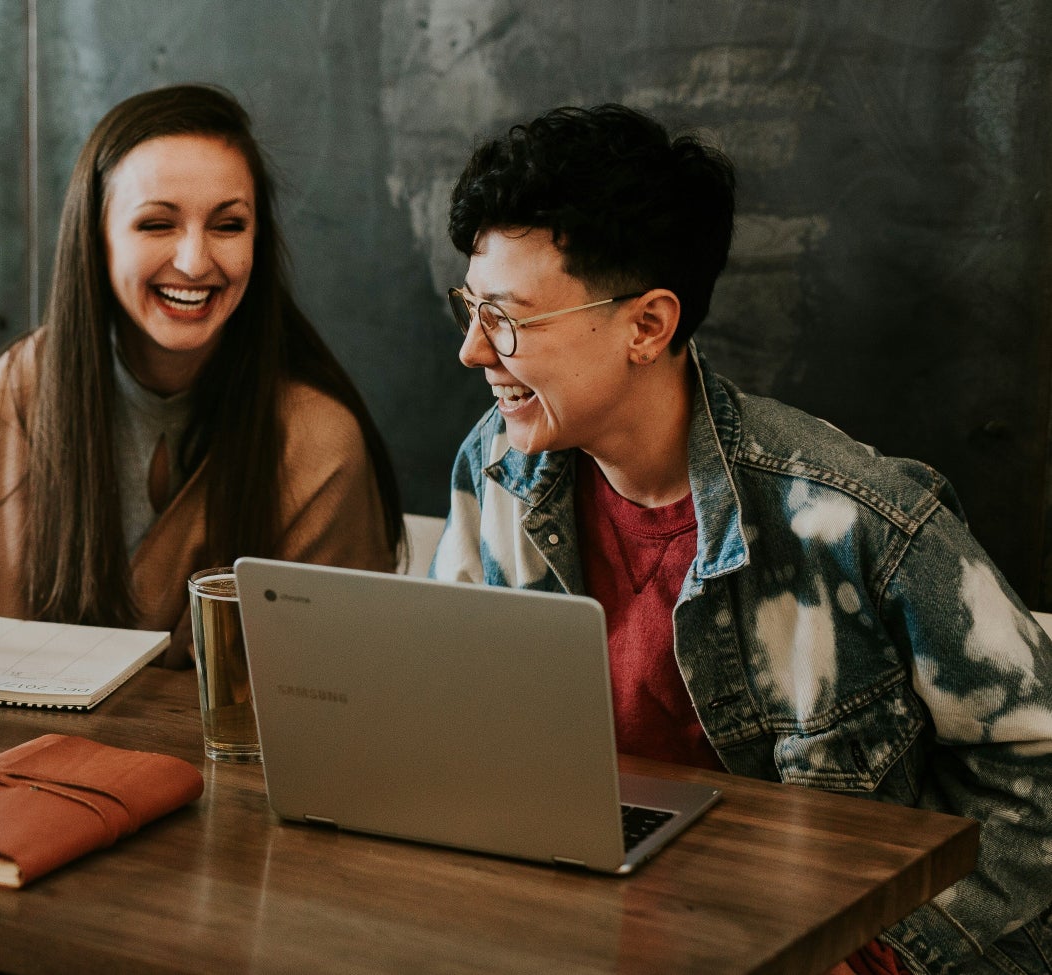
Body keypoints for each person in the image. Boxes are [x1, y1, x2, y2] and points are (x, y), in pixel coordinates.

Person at [430, 104, 1052, 975]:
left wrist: (884, 956)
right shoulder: (495, 466)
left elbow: (1038, 768)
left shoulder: (854, 518)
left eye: (506, 318)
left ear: (648, 325)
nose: (470, 350)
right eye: (470, 306)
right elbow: (446, 719)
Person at [0, 84, 401, 663]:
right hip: (10, 753)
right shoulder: (19, 390)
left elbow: (344, 686)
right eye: (157, 225)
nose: (194, 261)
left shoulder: (317, 441)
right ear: (97, 239)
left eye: (229, 225)